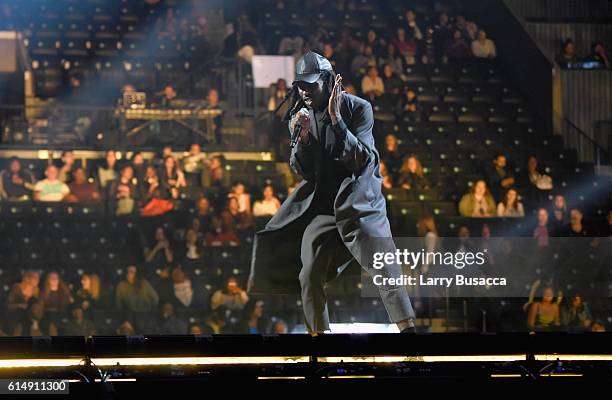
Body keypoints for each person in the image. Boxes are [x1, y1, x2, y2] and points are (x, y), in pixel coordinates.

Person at [250, 52, 416, 334]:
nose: (304, 91)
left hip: (360, 202)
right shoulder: (301, 115)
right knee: (309, 271)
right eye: (300, 85)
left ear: (329, 81)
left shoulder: (358, 109)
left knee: (384, 267)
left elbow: (363, 159)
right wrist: (301, 141)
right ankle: (320, 340)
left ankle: (410, 336)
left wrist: (338, 122)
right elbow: (302, 170)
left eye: (311, 84)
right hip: (325, 205)